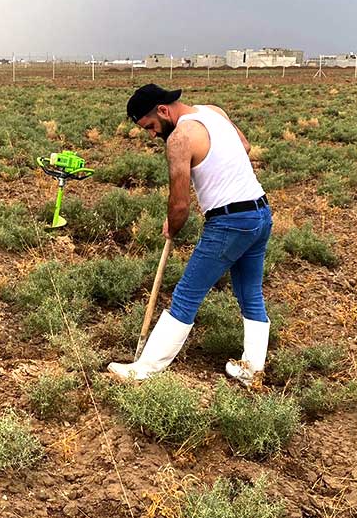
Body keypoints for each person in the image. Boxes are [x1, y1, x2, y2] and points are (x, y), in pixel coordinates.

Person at [107, 83, 272, 386]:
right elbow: (244, 146)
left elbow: (180, 204)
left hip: (229, 221)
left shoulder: (180, 138)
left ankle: (144, 370)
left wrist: (173, 224)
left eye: (151, 127)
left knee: (186, 295)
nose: (153, 134)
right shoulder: (214, 112)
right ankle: (252, 370)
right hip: (260, 213)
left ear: (163, 110)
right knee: (250, 292)